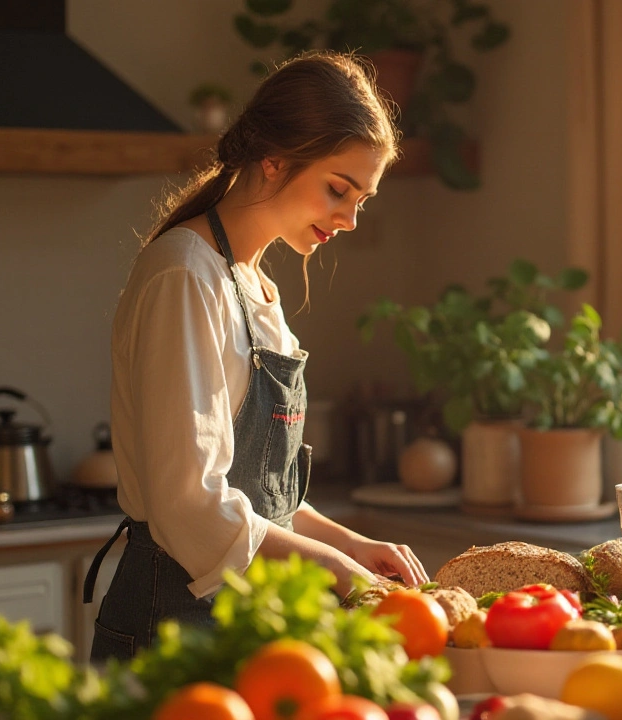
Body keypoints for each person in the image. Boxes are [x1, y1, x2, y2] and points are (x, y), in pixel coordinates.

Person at [83, 52, 427, 663]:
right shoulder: (186, 277)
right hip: (175, 631)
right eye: (338, 189)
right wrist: (340, 572)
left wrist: (352, 543)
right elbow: (190, 503)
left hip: (248, 622)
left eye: (362, 199)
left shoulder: (254, 284)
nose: (349, 218)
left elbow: (263, 497)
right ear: (274, 161)